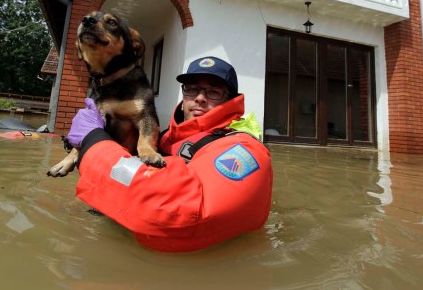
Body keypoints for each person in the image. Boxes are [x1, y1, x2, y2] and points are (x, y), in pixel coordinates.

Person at [67, 56, 273, 252]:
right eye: (192, 89)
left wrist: (93, 142)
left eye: (214, 92)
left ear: (231, 101)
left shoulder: (245, 149)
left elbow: (182, 217)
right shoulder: (165, 137)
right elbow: (130, 174)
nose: (200, 98)